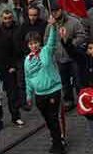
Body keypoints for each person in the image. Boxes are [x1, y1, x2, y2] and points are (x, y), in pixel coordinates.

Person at [24, 16, 65, 154]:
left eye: (35, 43)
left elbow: (52, 41)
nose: (34, 46)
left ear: (39, 42)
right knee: (48, 119)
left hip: (53, 90)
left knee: (53, 118)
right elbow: (28, 78)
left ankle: (58, 144)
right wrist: (29, 95)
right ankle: (56, 138)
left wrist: (53, 26)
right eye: (31, 44)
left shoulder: (46, 51)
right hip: (39, 94)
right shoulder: (27, 60)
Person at [45, 2, 86, 112]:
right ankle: (68, 100)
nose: (55, 13)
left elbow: (82, 35)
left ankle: (82, 99)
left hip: (73, 57)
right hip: (59, 58)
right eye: (52, 12)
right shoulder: (50, 26)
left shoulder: (73, 21)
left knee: (78, 80)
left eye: (57, 11)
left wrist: (71, 44)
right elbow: (46, 40)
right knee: (64, 81)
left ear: (61, 10)